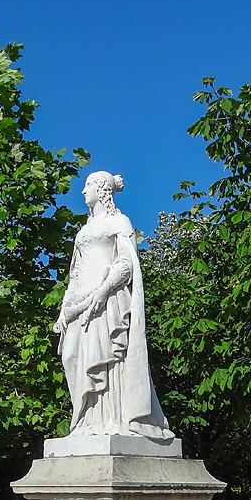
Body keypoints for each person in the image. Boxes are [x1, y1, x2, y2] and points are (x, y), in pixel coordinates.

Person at [54, 170, 173, 440]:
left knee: (107, 356)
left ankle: (111, 420)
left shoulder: (119, 221)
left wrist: (103, 291)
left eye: (87, 186)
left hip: (107, 300)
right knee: (72, 355)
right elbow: (76, 272)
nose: (83, 191)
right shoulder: (84, 231)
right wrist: (65, 308)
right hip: (79, 303)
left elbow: (125, 262)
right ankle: (86, 420)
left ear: (102, 189)